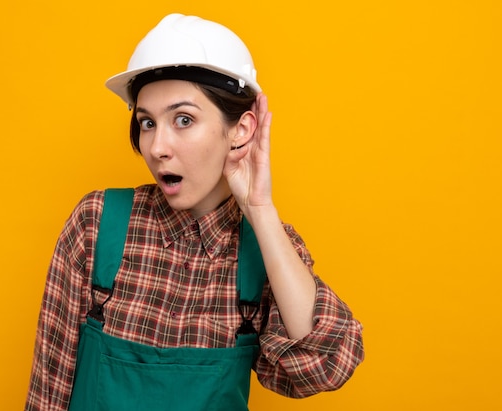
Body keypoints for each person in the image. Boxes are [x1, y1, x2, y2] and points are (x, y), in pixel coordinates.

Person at [25, 13, 364, 411]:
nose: (156, 147)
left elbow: (326, 363)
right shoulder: (97, 223)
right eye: (147, 122)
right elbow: (48, 389)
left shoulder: (267, 251)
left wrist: (260, 209)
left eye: (183, 120)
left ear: (240, 129)